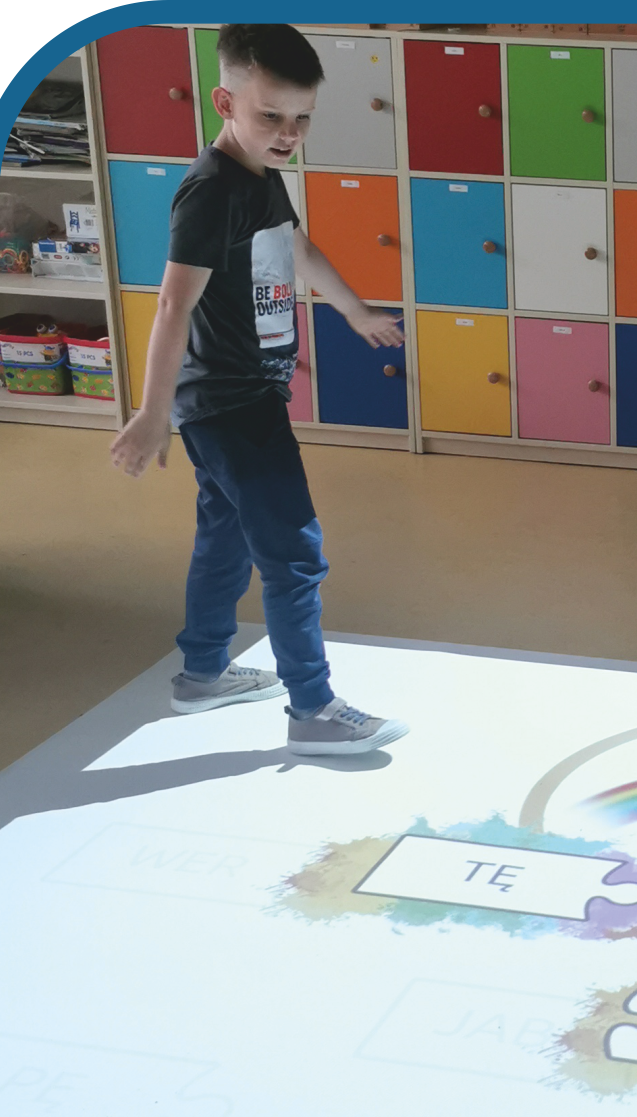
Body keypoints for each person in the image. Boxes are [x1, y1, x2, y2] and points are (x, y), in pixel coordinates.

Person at [107, 24, 407, 755]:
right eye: (271, 115)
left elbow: (296, 247)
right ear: (226, 102)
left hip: (243, 397)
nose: (289, 134)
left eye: (302, 118)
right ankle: (312, 709)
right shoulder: (212, 193)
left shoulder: (258, 176)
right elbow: (173, 304)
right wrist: (152, 413)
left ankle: (204, 671)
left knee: (227, 536)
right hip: (231, 401)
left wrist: (353, 310)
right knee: (294, 551)